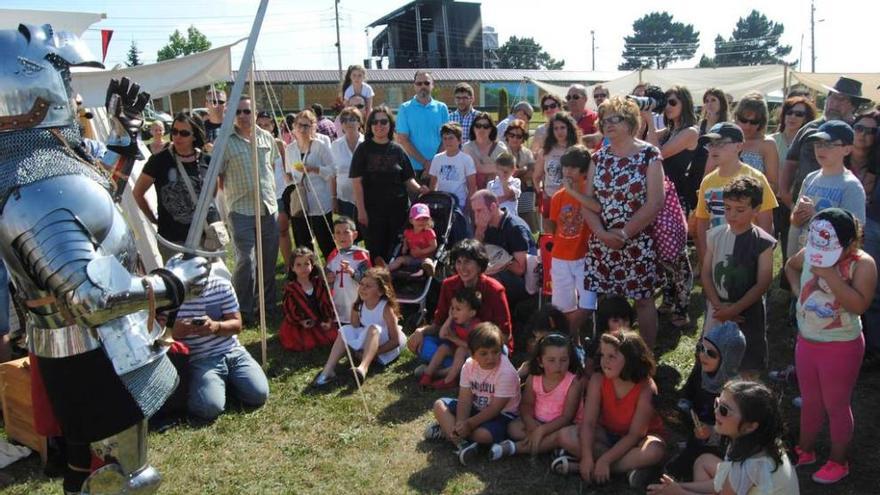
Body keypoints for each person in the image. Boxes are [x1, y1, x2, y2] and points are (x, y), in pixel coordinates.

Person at [0, 25, 210, 493]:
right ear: (35, 91)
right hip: (91, 353)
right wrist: (171, 284)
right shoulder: (36, 192)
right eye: (67, 83)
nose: (75, 97)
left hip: (92, 347)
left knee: (90, 469)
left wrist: (123, 136)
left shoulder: (41, 168)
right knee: (122, 478)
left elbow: (99, 209)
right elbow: (90, 299)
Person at [785, 208, 877, 484]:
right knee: (810, 400)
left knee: (836, 404)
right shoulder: (812, 250)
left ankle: (839, 461)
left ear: (850, 243)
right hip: (807, 341)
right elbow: (790, 265)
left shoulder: (863, 264)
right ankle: (806, 449)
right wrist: (798, 292)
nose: (818, 254)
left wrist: (829, 274)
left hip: (840, 346)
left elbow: (859, 305)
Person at [583, 97, 664, 347]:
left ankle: (645, 357)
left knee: (643, 300)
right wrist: (601, 233)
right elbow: (587, 202)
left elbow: (655, 202)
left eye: (614, 119)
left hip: (637, 241)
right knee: (607, 302)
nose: (607, 124)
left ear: (630, 122)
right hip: (603, 242)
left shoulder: (649, 155)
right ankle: (610, 352)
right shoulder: (598, 158)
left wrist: (624, 234)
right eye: (604, 120)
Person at [554, 330, 666, 489]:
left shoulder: (647, 387)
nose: (604, 361)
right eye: (603, 355)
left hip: (638, 440)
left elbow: (636, 434)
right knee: (565, 435)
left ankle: (587, 467)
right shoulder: (598, 379)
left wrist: (605, 460)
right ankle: (626, 469)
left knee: (654, 451)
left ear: (631, 360)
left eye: (612, 356)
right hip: (607, 434)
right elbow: (589, 422)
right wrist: (586, 456)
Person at [648, 380, 799, 495]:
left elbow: (729, 481)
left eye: (724, 410)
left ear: (750, 426)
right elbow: (720, 482)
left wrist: (679, 492)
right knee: (704, 461)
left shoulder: (749, 465)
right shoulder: (758, 441)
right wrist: (679, 487)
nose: (716, 412)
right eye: (717, 403)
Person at [701, 177, 776, 376]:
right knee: (713, 356)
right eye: (727, 208)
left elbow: (763, 282)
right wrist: (719, 307)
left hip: (748, 312)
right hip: (717, 309)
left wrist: (735, 309)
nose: (732, 215)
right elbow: (706, 274)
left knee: (747, 362)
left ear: (756, 209)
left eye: (740, 210)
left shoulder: (763, 243)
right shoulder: (714, 235)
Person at [172, 273, 269, 421]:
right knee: (209, 408)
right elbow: (157, 332)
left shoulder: (221, 284)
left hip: (232, 351)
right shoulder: (171, 291)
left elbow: (237, 325)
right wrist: (177, 329)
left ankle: (222, 384)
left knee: (259, 394)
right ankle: (217, 387)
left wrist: (216, 326)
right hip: (201, 357)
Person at [425, 322, 522, 466]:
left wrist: (469, 424)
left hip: (501, 415)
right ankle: (462, 443)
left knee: (483, 435)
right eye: (484, 353)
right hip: (476, 408)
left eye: (495, 352)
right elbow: (465, 398)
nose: (490, 357)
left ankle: (448, 432)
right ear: (472, 353)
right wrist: (460, 423)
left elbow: (495, 408)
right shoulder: (469, 365)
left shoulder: (506, 372)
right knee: (439, 405)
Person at [222, 96, 281, 325]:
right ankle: (242, 310)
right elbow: (218, 175)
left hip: (268, 207)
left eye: (247, 111)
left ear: (254, 112)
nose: (243, 116)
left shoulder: (267, 138)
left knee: (268, 261)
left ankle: (266, 308)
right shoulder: (225, 142)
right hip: (240, 209)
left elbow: (271, 167)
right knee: (246, 260)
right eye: (238, 112)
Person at [408, 239, 513, 363]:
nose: (462, 267)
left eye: (467, 262)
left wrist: (478, 347)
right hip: (453, 343)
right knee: (423, 345)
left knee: (502, 353)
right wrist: (421, 331)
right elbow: (439, 323)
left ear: (479, 264)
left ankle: (446, 369)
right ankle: (460, 369)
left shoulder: (495, 289)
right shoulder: (448, 285)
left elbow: (505, 335)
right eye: (459, 262)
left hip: (486, 347)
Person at [133, 113, 219, 262]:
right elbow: (138, 192)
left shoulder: (207, 160)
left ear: (195, 136)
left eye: (184, 133)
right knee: (180, 283)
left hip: (206, 236)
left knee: (212, 282)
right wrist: (153, 218)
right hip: (173, 239)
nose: (177, 137)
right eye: (174, 131)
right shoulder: (159, 161)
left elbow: (214, 190)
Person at [667, 322, 746, 481]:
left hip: (720, 439)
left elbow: (737, 430)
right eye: (701, 348)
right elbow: (688, 392)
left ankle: (673, 475)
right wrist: (683, 405)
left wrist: (712, 433)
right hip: (697, 423)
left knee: (695, 454)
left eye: (710, 353)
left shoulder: (734, 391)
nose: (703, 355)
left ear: (727, 358)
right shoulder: (700, 371)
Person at [350, 106, 428, 264]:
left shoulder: (398, 149)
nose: (379, 125)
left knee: (395, 250)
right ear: (369, 125)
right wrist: (361, 211)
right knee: (376, 252)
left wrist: (420, 189)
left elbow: (408, 179)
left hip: (398, 211)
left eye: (383, 121)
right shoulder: (363, 149)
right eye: (375, 122)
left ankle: (395, 285)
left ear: (390, 125)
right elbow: (357, 183)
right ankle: (379, 286)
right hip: (372, 212)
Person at [489, 333, 584, 460]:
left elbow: (567, 417)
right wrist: (530, 422)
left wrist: (542, 430)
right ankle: (552, 447)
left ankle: (514, 448)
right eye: (551, 360)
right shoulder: (534, 378)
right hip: (537, 422)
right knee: (513, 428)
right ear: (540, 361)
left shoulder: (573, 382)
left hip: (562, 426)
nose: (558, 365)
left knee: (561, 435)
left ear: (570, 359)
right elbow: (526, 404)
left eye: (563, 360)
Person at [780, 76, 868, 212]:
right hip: (800, 209)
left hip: (841, 213)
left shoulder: (862, 132)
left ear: (854, 105)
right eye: (832, 97)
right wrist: (788, 199)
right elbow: (790, 164)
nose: (834, 103)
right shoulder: (809, 128)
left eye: (841, 99)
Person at [694, 123, 777, 263]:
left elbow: (766, 222)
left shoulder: (755, 178)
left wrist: (757, 257)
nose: (714, 148)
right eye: (711, 144)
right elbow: (702, 222)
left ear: (738, 146)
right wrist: (704, 255)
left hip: (747, 254)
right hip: (717, 252)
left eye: (720, 143)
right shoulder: (707, 182)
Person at [313, 267, 406, 387]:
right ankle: (328, 369)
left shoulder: (386, 308)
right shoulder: (359, 305)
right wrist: (355, 308)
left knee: (373, 328)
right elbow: (355, 327)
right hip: (371, 340)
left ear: (380, 291)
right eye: (361, 284)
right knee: (345, 330)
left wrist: (375, 353)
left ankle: (363, 368)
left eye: (368, 286)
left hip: (386, 345)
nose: (363, 288)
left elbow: (395, 341)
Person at [787, 121, 866, 260]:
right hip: (801, 260)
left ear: (847, 149)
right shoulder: (810, 178)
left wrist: (814, 217)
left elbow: (853, 235)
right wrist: (791, 259)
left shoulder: (851, 186)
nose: (821, 150)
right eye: (818, 144)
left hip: (830, 264)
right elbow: (795, 221)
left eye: (828, 145)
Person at [549, 145, 600, 337]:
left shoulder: (590, 192)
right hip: (561, 257)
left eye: (573, 168)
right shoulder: (557, 197)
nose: (568, 171)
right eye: (565, 167)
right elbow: (554, 227)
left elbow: (597, 208)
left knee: (587, 304)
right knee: (563, 307)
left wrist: (573, 192)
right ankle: (574, 344)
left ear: (585, 171)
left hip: (584, 257)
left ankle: (564, 336)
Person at [770, 96, 817, 287]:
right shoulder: (772, 140)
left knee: (791, 247)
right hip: (771, 202)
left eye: (799, 113)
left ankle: (789, 288)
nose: (793, 117)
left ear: (807, 118)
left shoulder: (810, 144)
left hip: (794, 204)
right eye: (789, 111)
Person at [849, 111, 880, 365]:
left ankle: (872, 347)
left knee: (870, 289)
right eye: (860, 128)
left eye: (871, 131)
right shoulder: (841, 156)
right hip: (845, 231)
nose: (864, 134)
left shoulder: (877, 162)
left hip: (870, 228)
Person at [472, 189, 536, 309]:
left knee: (486, 282)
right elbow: (473, 253)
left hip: (524, 282)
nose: (476, 216)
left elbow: (520, 269)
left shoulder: (515, 228)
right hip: (499, 274)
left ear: (493, 206)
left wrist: (500, 260)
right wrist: (480, 231)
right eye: (474, 211)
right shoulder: (486, 225)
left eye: (479, 210)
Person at [285, 109, 336, 259]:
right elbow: (289, 172)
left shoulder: (320, 146)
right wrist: (289, 177)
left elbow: (333, 170)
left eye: (307, 126)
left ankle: (334, 272)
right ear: (294, 127)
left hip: (319, 200)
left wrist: (314, 169)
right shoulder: (290, 149)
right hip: (300, 201)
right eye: (300, 125)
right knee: (303, 243)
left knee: (326, 241)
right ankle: (309, 275)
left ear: (314, 127)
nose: (303, 129)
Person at [419, 287, 482, 389]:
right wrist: (449, 318)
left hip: (472, 356)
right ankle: (427, 374)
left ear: (472, 313)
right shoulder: (455, 322)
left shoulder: (476, 326)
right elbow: (442, 335)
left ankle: (449, 380)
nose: (454, 312)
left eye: (458, 309)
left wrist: (453, 338)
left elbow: (472, 346)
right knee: (443, 347)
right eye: (452, 308)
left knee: (461, 350)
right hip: (456, 354)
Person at [278, 247, 337, 352]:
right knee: (304, 340)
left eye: (306, 264)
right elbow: (290, 308)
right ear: (292, 268)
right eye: (298, 265)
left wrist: (327, 318)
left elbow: (325, 301)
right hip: (301, 324)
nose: (303, 268)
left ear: (312, 265)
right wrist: (301, 321)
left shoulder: (318, 284)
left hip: (319, 320)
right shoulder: (291, 289)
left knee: (331, 334)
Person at [396, 71, 450, 177]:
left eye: (426, 83)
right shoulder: (405, 109)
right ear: (414, 86)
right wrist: (425, 163)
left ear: (432, 85)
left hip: (439, 168)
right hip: (413, 169)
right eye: (419, 83)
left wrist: (433, 164)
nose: (423, 86)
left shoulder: (442, 108)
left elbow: (446, 138)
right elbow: (403, 140)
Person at [535, 112, 580, 233]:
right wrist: (541, 192)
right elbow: (537, 176)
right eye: (556, 128)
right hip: (549, 197)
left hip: (571, 198)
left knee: (568, 233)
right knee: (551, 233)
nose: (559, 131)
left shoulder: (578, 149)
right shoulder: (545, 151)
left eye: (562, 128)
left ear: (569, 128)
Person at [686, 88, 730, 209]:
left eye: (713, 100)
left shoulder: (727, 127)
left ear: (721, 103)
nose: (709, 104)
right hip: (696, 173)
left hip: (717, 175)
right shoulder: (700, 125)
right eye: (706, 100)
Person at [729, 93, 779, 194]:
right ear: (736, 117)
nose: (747, 126)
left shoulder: (768, 144)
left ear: (761, 122)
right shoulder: (727, 140)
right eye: (743, 120)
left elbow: (773, 186)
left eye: (754, 122)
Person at [325, 217, 371, 325]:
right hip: (339, 297)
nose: (342, 236)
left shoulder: (361, 256)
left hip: (355, 297)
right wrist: (328, 277)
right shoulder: (333, 256)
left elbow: (367, 279)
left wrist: (353, 273)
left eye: (346, 232)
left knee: (356, 320)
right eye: (338, 233)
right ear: (334, 237)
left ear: (354, 235)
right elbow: (326, 274)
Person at [428, 122, 477, 213]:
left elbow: (472, 186)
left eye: (451, 138)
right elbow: (432, 184)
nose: (447, 141)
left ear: (459, 140)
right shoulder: (437, 158)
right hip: (441, 203)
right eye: (445, 138)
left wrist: (468, 205)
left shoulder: (466, 159)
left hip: (459, 204)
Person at [504, 119, 539, 232]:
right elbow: (505, 174)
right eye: (512, 135)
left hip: (525, 192)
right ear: (507, 136)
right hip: (507, 193)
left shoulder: (527, 152)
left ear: (523, 138)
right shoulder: (502, 151)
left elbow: (532, 173)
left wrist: (518, 172)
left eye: (519, 136)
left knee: (528, 225)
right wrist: (523, 170)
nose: (515, 138)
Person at [330, 106, 365, 221]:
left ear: (359, 123)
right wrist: (334, 198)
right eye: (345, 120)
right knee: (348, 234)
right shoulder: (335, 145)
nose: (348, 123)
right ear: (342, 125)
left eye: (353, 119)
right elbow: (333, 174)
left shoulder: (367, 144)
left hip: (366, 198)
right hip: (344, 200)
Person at [386, 203, 438, 277]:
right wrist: (405, 247)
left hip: (425, 257)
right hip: (412, 257)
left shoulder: (429, 232)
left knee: (427, 261)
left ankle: (429, 269)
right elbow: (406, 240)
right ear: (411, 221)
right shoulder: (408, 232)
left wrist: (421, 252)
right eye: (418, 219)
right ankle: (385, 269)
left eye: (424, 219)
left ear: (429, 220)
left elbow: (434, 246)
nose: (421, 221)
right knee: (400, 259)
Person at [463, 112, 509, 189]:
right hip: (473, 190)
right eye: (478, 126)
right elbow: (478, 168)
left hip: (497, 190)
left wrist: (499, 168)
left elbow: (507, 169)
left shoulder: (500, 147)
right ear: (473, 128)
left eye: (486, 126)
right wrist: (498, 168)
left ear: (491, 129)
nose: (481, 129)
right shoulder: (467, 147)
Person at [486, 152, 522, 217]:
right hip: (495, 219)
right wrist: (506, 197)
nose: (503, 174)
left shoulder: (516, 182)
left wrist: (504, 181)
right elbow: (490, 203)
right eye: (500, 170)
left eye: (506, 172)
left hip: (511, 218)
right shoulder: (491, 184)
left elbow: (511, 196)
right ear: (496, 169)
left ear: (513, 170)